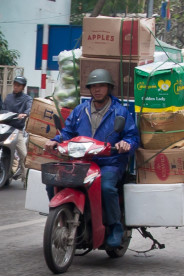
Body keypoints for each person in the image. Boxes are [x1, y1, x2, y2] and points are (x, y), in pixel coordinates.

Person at [44, 69, 140, 248]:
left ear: (109, 88)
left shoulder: (120, 112)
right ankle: (62, 217)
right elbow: (67, 133)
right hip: (81, 161)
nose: (97, 90)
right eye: (93, 87)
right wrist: (55, 141)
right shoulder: (80, 110)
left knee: (106, 187)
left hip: (109, 163)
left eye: (101, 86)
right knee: (53, 182)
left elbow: (132, 137)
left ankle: (114, 227)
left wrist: (126, 143)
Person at [2, 76, 33, 186]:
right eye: (14, 84)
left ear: (23, 87)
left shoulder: (27, 99)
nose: (15, 87)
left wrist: (25, 114)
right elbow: (3, 109)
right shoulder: (8, 97)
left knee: (24, 155)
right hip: (5, 129)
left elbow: (30, 108)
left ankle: (26, 179)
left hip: (17, 131)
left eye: (18, 85)